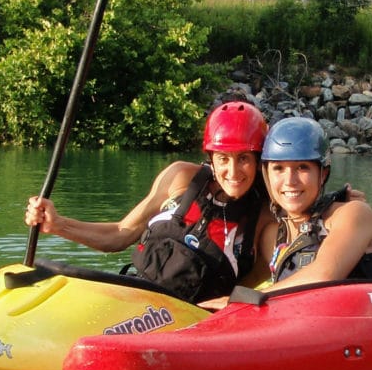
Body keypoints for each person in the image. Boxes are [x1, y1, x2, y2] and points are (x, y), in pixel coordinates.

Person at [25, 101, 273, 303]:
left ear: (258, 159)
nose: (232, 171)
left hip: (192, 322)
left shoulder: (264, 220)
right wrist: (58, 225)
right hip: (134, 295)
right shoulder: (180, 177)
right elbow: (120, 234)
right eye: (223, 158)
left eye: (243, 159)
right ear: (211, 157)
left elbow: (242, 294)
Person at [256, 116, 372, 293]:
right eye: (278, 168)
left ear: (322, 174)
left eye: (302, 167)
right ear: (266, 174)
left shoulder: (354, 213)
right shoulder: (273, 236)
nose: (290, 181)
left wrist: (245, 300)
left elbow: (324, 275)